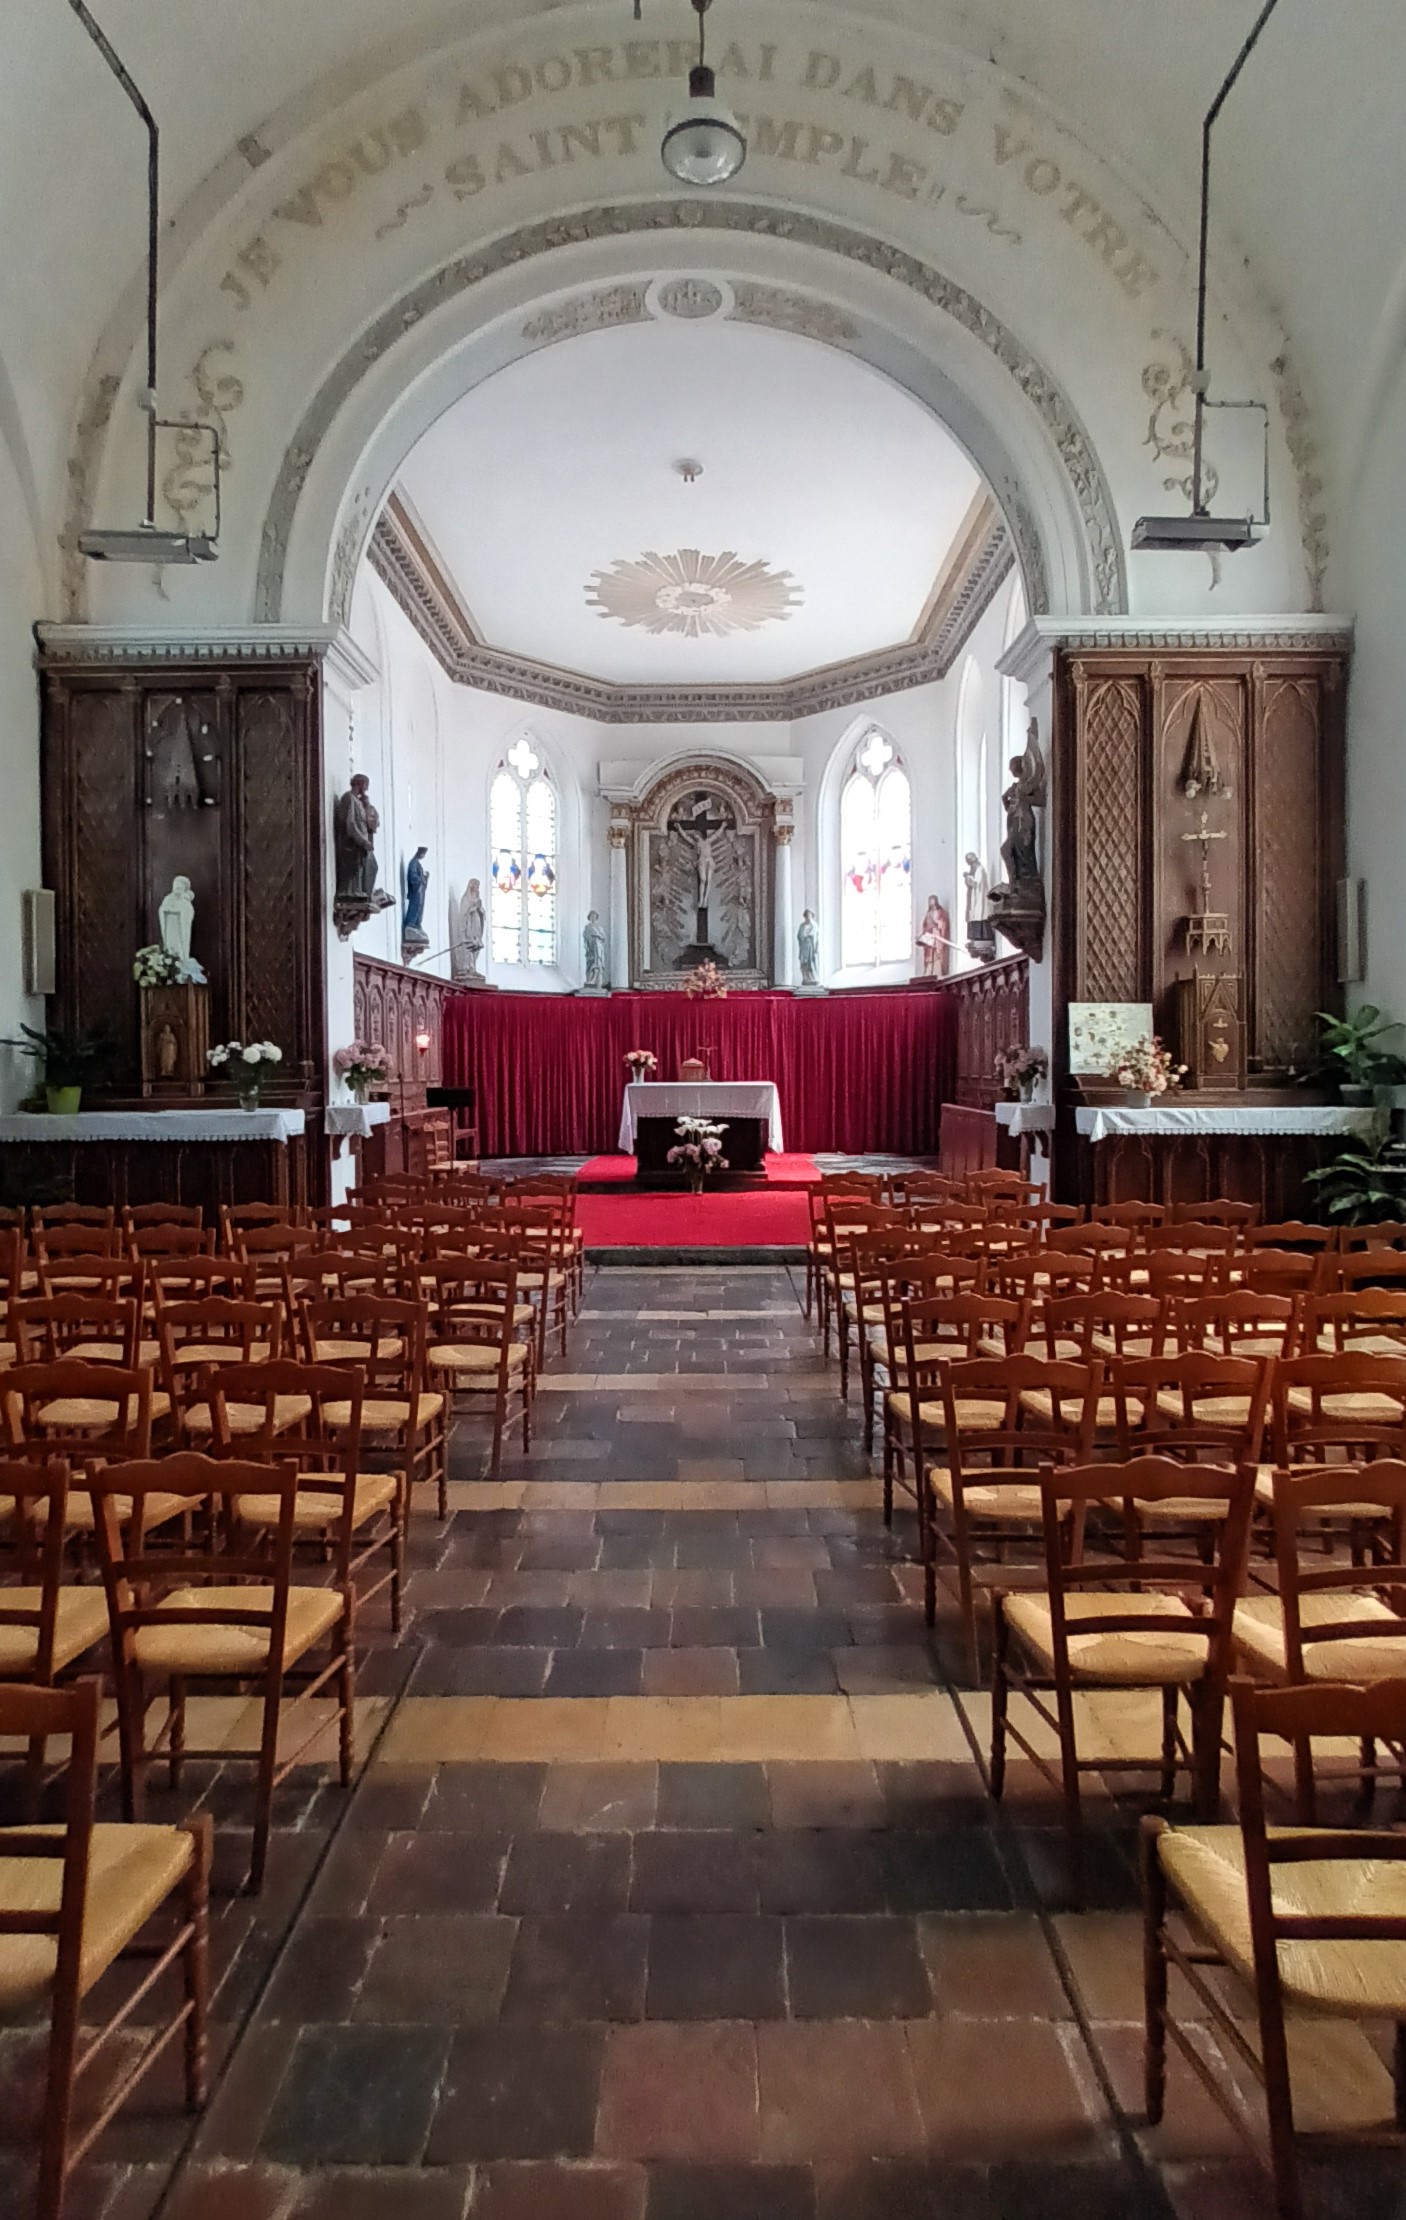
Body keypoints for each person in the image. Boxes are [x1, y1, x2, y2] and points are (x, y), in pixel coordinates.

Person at [158, 874, 195, 963]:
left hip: (179, 928)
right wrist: (166, 910)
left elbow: (187, 913)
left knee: (179, 948)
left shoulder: (185, 901)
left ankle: (182, 958)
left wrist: (176, 911)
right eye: (176, 887)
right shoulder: (168, 899)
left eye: (179, 887)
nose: (177, 889)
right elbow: (162, 909)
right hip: (169, 927)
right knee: (170, 946)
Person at [404, 847, 429, 935]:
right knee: (415, 906)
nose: (423, 856)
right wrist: (421, 880)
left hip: (419, 890)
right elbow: (413, 877)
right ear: (420, 853)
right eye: (423, 854)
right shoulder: (413, 863)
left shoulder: (417, 863)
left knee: (419, 906)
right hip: (416, 891)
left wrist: (425, 877)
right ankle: (411, 924)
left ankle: (415, 924)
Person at [583, 909, 607, 989]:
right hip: (590, 948)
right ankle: (590, 980)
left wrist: (597, 935)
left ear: (596, 917)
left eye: (594, 916)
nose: (593, 918)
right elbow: (585, 938)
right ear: (589, 917)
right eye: (591, 916)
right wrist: (587, 947)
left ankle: (596, 981)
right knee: (590, 963)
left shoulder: (599, 928)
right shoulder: (587, 927)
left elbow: (603, 937)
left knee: (597, 964)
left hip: (598, 948)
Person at [797, 909, 819, 986]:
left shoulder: (814, 925)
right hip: (804, 946)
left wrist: (815, 947)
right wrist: (803, 937)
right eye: (807, 915)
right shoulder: (802, 926)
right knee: (804, 962)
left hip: (811, 946)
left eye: (809, 915)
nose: (808, 917)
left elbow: (815, 937)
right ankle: (806, 978)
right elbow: (799, 936)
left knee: (811, 962)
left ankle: (813, 978)